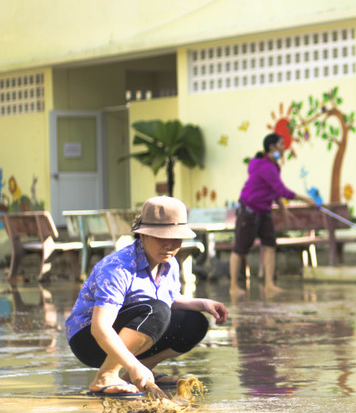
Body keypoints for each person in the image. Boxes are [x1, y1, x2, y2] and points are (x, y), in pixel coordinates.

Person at [65, 197, 228, 397]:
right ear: (143, 236)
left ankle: (137, 371)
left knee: (195, 322)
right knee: (157, 311)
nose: (169, 245)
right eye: (162, 237)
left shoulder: (170, 263)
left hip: (132, 327)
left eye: (176, 238)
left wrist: (203, 303)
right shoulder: (118, 268)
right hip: (89, 340)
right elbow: (100, 328)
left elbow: (169, 298)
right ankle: (106, 375)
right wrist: (133, 365)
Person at [230, 133, 314, 295]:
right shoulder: (265, 166)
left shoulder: (274, 166)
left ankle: (269, 284)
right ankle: (233, 286)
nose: (284, 147)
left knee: (270, 245)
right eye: (282, 144)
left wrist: (283, 210)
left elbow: (274, 191)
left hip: (264, 211)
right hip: (249, 210)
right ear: (272, 147)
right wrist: (305, 199)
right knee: (240, 248)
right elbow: (281, 190)